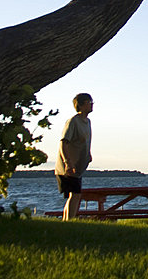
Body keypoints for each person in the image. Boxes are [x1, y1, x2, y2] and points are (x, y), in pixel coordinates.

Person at [55, 92, 93, 220]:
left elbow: (85, 141)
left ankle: (67, 221)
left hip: (78, 167)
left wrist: (88, 154)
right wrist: (68, 163)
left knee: (75, 195)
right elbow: (63, 143)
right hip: (68, 167)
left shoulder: (87, 122)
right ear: (81, 105)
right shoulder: (73, 122)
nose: (92, 104)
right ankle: (69, 221)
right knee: (75, 194)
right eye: (89, 102)